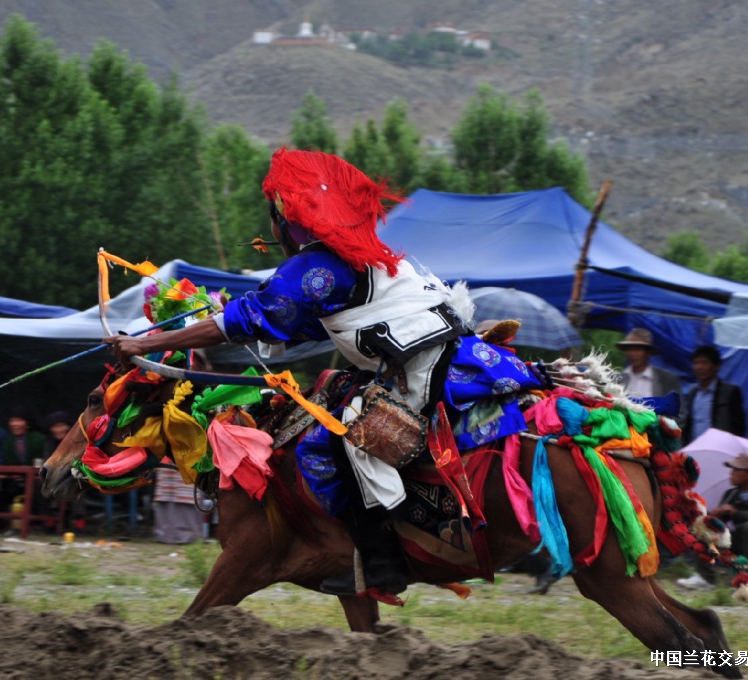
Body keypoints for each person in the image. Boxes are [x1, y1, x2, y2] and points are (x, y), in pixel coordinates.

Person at [107, 148, 549, 598]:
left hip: (425, 373)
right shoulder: (378, 258)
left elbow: (247, 319)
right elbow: (288, 323)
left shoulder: (318, 266)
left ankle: (384, 561)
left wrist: (146, 343)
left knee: (338, 441)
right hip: (463, 360)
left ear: (285, 219)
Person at [677, 453, 748, 589]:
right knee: (704, 528)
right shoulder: (730, 494)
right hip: (739, 542)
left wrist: (735, 513)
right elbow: (718, 525)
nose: (731, 473)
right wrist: (713, 515)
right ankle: (705, 578)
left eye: (736, 470)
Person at [680, 345, 746, 444]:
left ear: (716, 367)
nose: (699, 367)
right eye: (696, 363)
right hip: (695, 449)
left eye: (704, 363)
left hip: (720, 448)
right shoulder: (693, 393)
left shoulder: (730, 392)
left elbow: (739, 427)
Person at [616, 327, 681, 399]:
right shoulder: (618, 379)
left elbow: (678, 408)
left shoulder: (666, 379)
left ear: (648, 352)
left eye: (638, 349)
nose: (633, 354)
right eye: (630, 349)